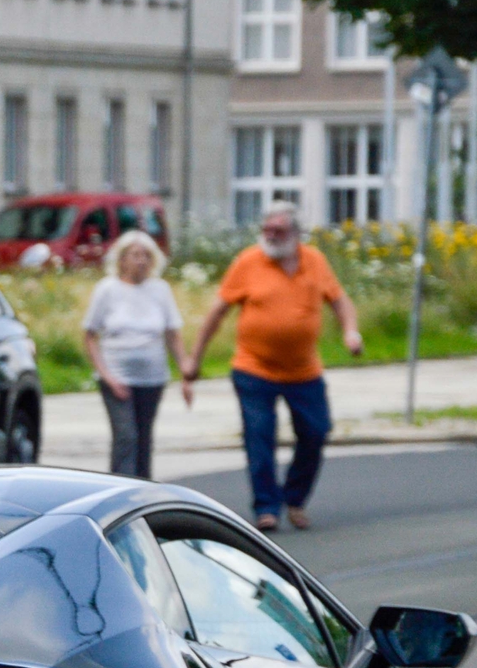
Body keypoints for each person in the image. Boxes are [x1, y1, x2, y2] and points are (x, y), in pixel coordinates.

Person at [185, 200, 364, 532]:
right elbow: (217, 312)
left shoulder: (315, 261)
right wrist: (194, 358)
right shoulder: (248, 262)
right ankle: (267, 507)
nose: (270, 236)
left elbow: (339, 300)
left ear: (296, 234)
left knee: (316, 432)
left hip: (303, 371)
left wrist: (350, 332)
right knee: (259, 437)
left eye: (278, 231)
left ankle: (294, 498)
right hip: (254, 368)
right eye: (266, 229)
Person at [81, 230, 189, 480]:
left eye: (146, 256)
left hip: (152, 379)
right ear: (122, 259)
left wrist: (185, 370)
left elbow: (173, 333)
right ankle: (120, 489)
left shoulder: (160, 290)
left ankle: (143, 490)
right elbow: (89, 336)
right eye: (135, 255)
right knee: (126, 436)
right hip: (116, 376)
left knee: (143, 437)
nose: (141, 261)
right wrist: (107, 376)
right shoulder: (107, 289)